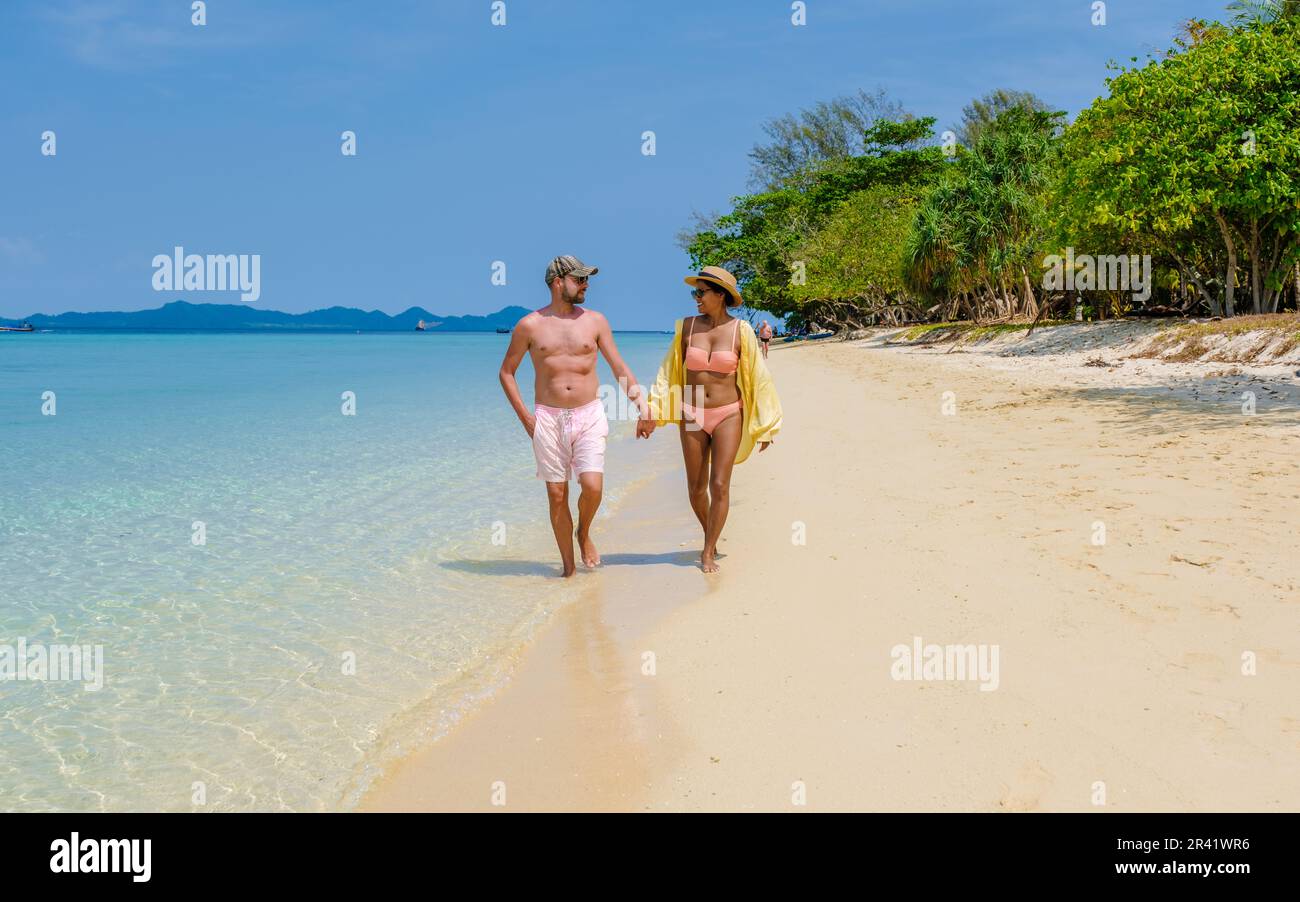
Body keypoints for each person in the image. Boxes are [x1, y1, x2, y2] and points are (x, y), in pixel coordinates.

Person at [499, 255, 653, 577]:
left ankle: (583, 532)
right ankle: (568, 572)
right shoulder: (529, 326)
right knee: (557, 495)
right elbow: (506, 373)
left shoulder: (595, 321)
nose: (586, 286)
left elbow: (618, 366)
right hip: (548, 418)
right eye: (579, 280)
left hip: (588, 413)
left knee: (592, 486)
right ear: (558, 282)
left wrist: (642, 405)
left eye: (587, 280)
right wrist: (527, 419)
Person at [638, 265, 782, 572]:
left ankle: (706, 551)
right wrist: (651, 410)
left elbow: (759, 378)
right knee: (695, 488)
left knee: (719, 485)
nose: (696, 298)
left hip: (728, 413)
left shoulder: (741, 331)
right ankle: (711, 535)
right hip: (691, 414)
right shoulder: (687, 327)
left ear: (720, 295)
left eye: (701, 293)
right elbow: (667, 373)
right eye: (695, 292)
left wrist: (767, 425)